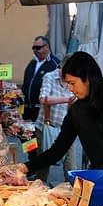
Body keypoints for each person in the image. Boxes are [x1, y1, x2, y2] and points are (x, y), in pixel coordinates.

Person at [18, 51, 103, 206]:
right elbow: (57, 150)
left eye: (73, 83)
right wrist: (25, 167)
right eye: (68, 84)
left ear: (87, 78)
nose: (70, 89)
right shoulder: (77, 111)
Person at [35, 55, 77, 183]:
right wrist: (66, 100)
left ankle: (72, 194)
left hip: (67, 129)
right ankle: (39, 189)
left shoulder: (75, 80)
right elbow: (43, 98)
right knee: (44, 164)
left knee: (71, 165)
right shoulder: (50, 77)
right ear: (61, 67)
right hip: (47, 126)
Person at [22, 35, 60, 122]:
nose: (35, 50)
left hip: (41, 110)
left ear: (47, 47)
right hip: (27, 108)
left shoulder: (55, 64)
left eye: (38, 48)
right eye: (33, 48)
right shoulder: (33, 62)